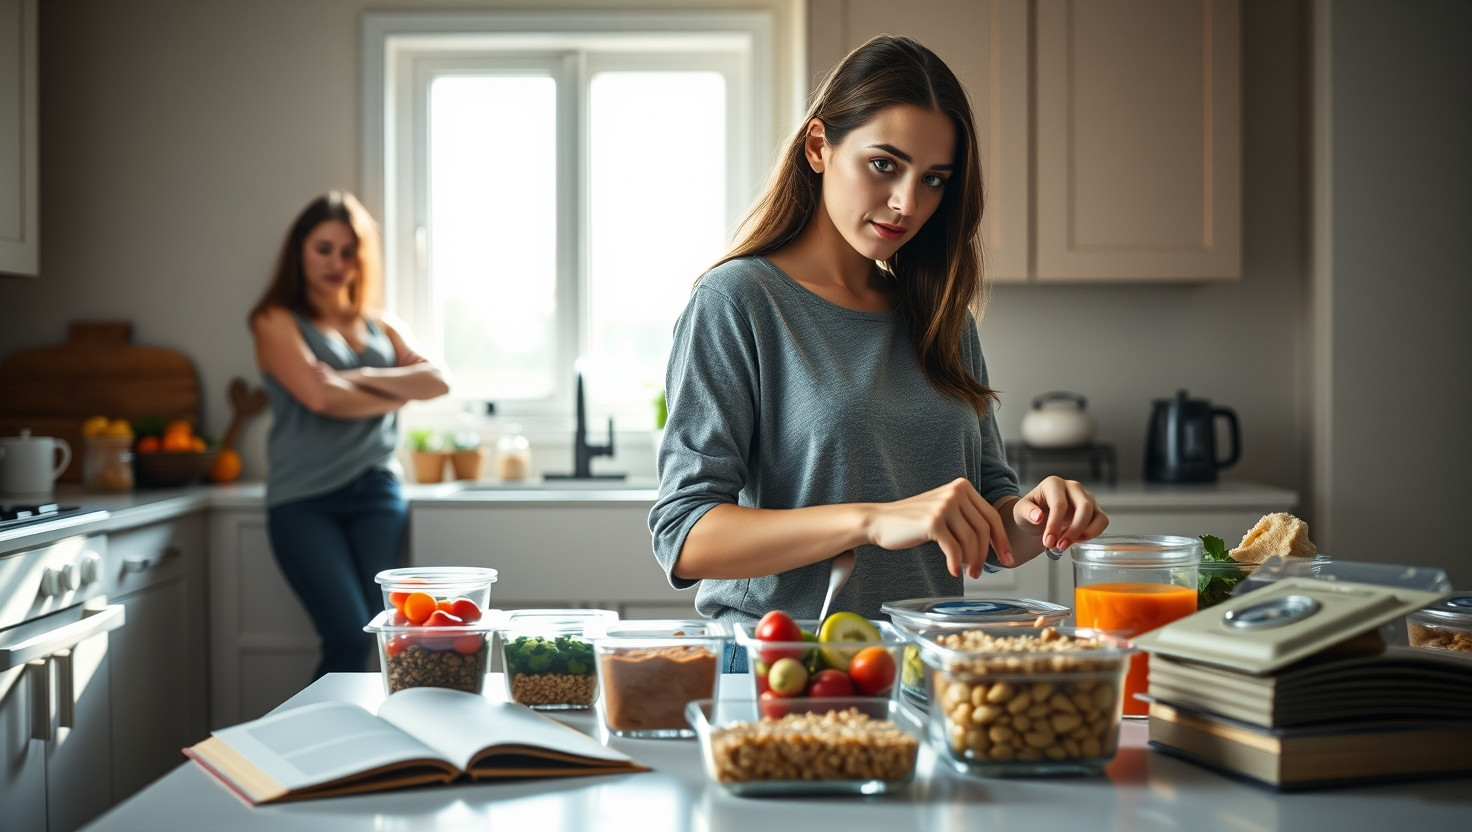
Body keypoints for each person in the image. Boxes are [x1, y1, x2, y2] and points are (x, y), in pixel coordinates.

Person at [649, 36, 1109, 670]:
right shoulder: (738, 301)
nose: (907, 204)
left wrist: (1039, 513)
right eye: (885, 165)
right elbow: (684, 534)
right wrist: (871, 520)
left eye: (934, 180)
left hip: (923, 666)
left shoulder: (941, 315)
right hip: (782, 667)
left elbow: (989, 528)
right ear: (819, 147)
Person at [249, 191, 450, 679]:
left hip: (377, 493)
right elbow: (320, 399)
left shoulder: (381, 324)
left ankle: (379, 729)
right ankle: (322, 730)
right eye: (324, 249)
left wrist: (355, 377)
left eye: (348, 252)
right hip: (304, 500)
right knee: (346, 635)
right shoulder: (274, 320)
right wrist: (397, 391)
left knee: (383, 636)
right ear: (300, 251)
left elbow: (437, 381)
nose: (336, 263)